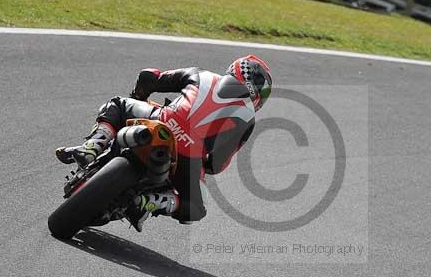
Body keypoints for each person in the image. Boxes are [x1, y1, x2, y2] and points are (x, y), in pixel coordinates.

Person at [55, 55, 273, 231]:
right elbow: (218, 164)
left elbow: (150, 77)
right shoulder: (247, 118)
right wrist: (201, 163)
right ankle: (151, 201)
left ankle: (92, 146)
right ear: (258, 97)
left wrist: (139, 96)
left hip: (160, 121)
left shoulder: (202, 75)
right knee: (196, 209)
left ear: (235, 68)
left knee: (118, 104)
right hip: (188, 158)